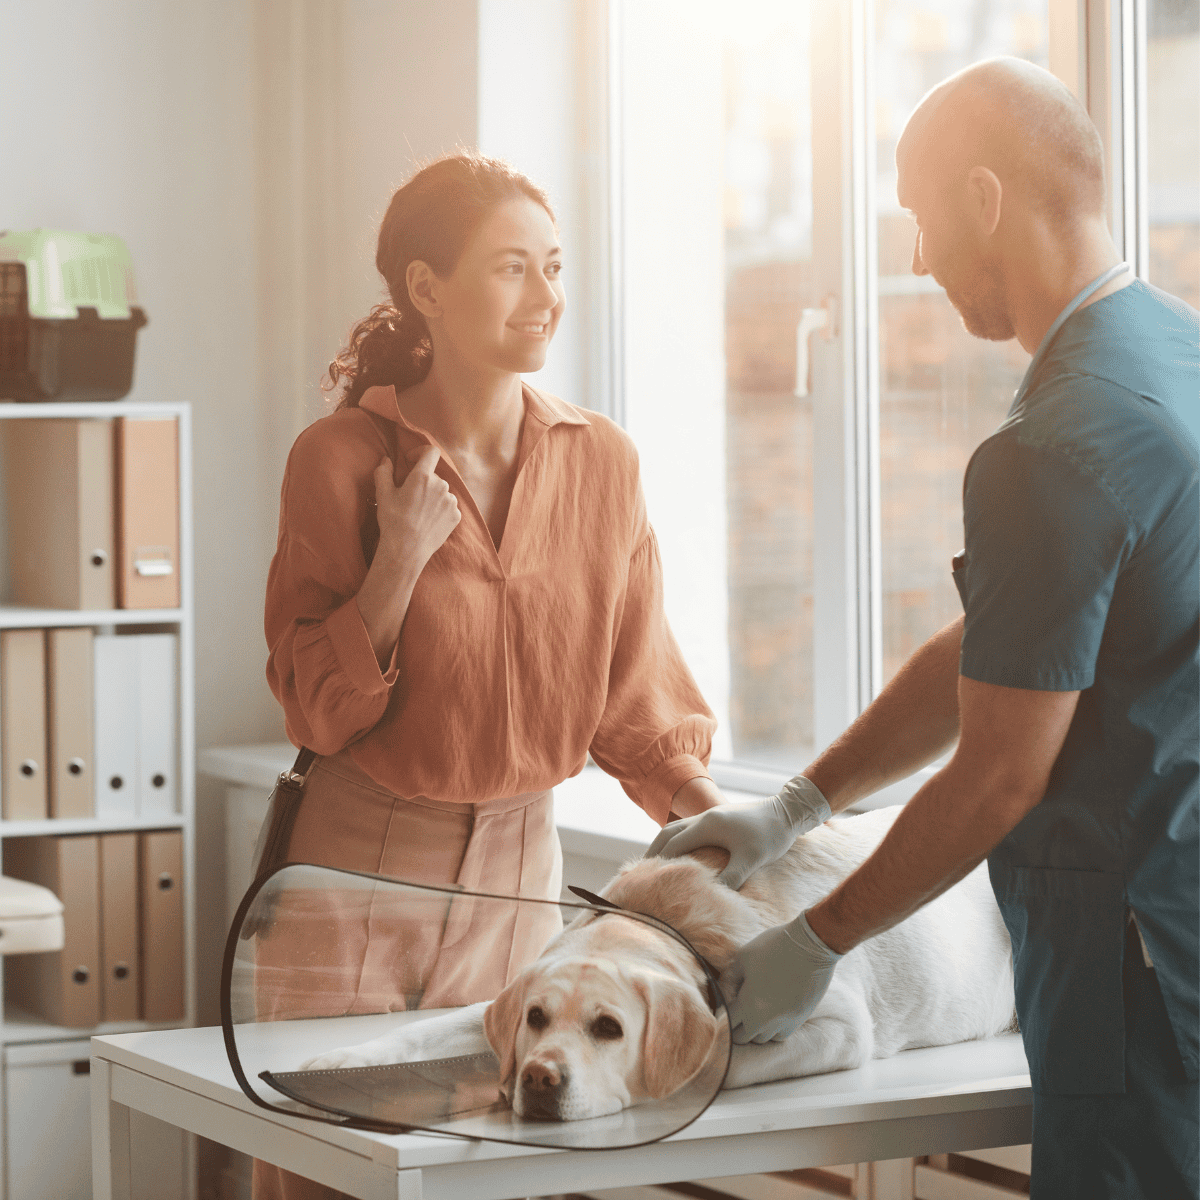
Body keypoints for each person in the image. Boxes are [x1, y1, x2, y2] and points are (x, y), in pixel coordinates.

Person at [650, 57, 1198, 1200]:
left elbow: (1000, 772)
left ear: (986, 200)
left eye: (917, 216)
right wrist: (799, 804)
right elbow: (999, 652)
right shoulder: (1180, 357)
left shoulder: (1050, 447)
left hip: (1130, 970)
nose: (915, 259)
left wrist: (815, 941)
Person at [259, 152, 724, 1200]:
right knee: (327, 1174)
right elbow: (313, 704)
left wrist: (756, 842)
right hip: (354, 874)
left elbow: (636, 699)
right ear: (426, 287)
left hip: (521, 877)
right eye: (513, 268)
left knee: (495, 1175)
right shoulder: (338, 459)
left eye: (553, 267)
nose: (547, 297)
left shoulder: (603, 461)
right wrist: (397, 562)